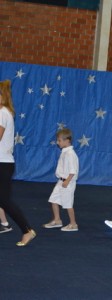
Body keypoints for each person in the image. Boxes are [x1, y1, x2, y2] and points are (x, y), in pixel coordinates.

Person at [0, 79, 36, 246]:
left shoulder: (2, 113)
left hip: (2, 164)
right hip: (4, 162)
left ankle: (27, 230)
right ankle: (26, 230)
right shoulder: (6, 112)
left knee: (5, 201)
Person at [43, 128, 79, 231]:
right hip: (61, 181)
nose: (58, 142)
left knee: (68, 204)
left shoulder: (70, 154)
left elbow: (73, 170)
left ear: (67, 140)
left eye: (59, 140)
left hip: (67, 182)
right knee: (53, 200)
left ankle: (73, 224)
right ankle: (57, 220)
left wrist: (67, 181)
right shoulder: (64, 152)